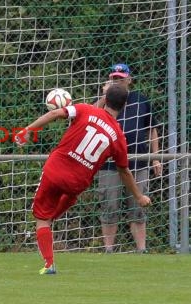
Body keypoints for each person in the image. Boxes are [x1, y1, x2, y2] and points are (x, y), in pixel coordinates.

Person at [16, 84, 151, 274]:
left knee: (42, 219)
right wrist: (139, 197)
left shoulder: (85, 109)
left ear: (105, 99)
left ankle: (49, 264)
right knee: (63, 203)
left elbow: (54, 115)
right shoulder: (118, 137)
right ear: (124, 106)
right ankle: (52, 219)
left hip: (55, 170)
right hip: (77, 182)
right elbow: (124, 171)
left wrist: (28, 129)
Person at [95, 63, 162, 253]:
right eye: (114, 79)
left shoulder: (141, 100)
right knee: (110, 206)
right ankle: (109, 250)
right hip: (109, 164)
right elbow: (90, 116)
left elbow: (152, 130)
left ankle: (142, 250)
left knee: (138, 208)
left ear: (129, 80)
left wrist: (155, 158)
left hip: (138, 162)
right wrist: (104, 96)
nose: (117, 82)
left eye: (120, 79)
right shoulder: (105, 101)